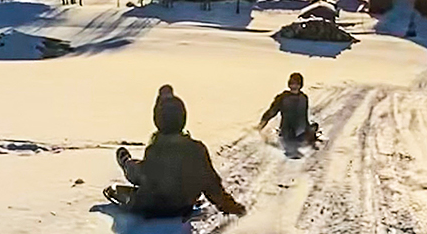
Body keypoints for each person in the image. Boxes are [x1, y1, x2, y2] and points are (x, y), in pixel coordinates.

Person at [104, 85, 245, 217]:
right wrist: (232, 207)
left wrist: (127, 164)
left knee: (125, 181)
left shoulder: (155, 149)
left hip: (153, 207)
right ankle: (128, 163)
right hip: (183, 205)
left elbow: (142, 176)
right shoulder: (196, 149)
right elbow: (211, 185)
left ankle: (126, 162)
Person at [258, 72, 319, 145]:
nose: (294, 86)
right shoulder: (284, 98)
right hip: (290, 132)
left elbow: (304, 117)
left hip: (297, 132)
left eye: (296, 83)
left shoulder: (303, 98)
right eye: (293, 83)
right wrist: (262, 124)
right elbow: (271, 112)